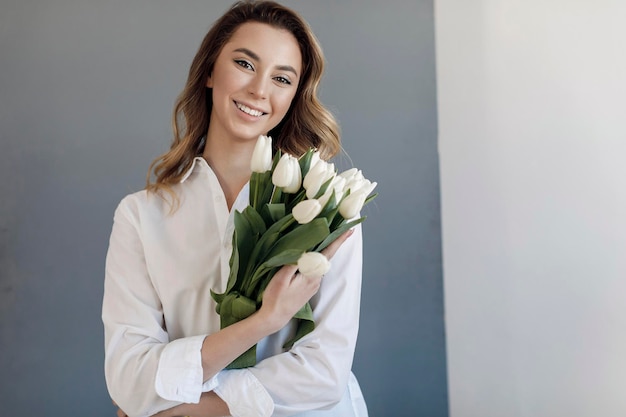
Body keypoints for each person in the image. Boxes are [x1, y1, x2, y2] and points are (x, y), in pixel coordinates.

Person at [102, 1, 368, 416]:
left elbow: (323, 374)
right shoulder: (141, 216)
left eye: (282, 78)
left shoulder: (326, 209)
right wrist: (263, 322)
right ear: (210, 71)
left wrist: (174, 409)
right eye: (245, 63)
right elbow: (128, 374)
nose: (259, 90)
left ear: (294, 95)